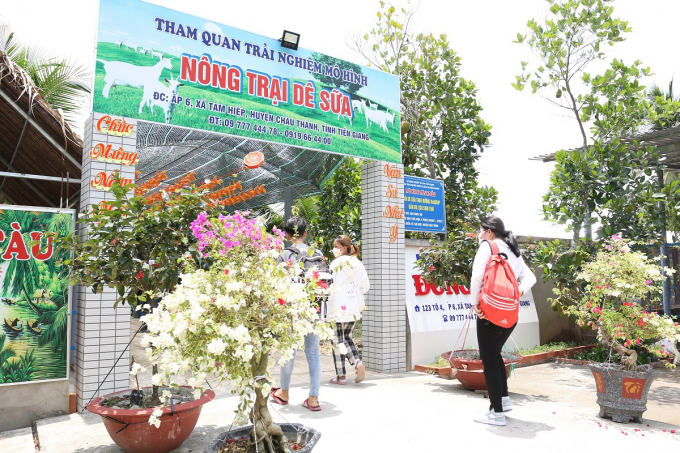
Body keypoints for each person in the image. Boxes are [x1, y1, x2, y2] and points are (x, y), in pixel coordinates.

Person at [470, 216, 536, 426]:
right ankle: (504, 401)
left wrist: (475, 303)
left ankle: (496, 413)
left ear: (489, 232)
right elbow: (530, 278)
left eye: (481, 230)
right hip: (510, 313)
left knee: (489, 359)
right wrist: (517, 293)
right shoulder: (514, 250)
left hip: (489, 312)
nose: (480, 234)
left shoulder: (487, 246)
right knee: (494, 354)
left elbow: (477, 277)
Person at [270, 216, 325, 412]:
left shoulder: (285, 254)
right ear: (305, 233)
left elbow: (278, 284)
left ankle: (284, 393)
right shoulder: (317, 253)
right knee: (313, 353)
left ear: (286, 234)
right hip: (316, 308)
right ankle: (313, 398)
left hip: (293, 310)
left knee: (289, 351)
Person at [327, 235, 370, 385]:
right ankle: (356, 362)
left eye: (336, 246)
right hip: (353, 308)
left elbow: (328, 284)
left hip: (337, 308)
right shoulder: (357, 263)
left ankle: (342, 374)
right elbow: (365, 287)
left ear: (344, 248)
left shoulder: (335, 264)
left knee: (337, 340)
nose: (335, 249)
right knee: (347, 338)